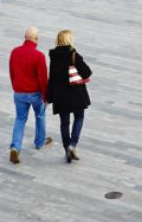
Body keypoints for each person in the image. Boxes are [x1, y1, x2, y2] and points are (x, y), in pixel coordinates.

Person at [47, 29, 93, 163]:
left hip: (60, 97)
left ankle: (67, 148)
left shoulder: (53, 57)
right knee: (79, 118)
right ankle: (73, 144)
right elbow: (87, 72)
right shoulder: (73, 54)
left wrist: (49, 97)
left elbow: (52, 78)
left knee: (64, 123)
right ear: (69, 40)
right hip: (76, 94)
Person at [8, 27, 51, 163]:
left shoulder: (15, 52)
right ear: (36, 39)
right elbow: (43, 78)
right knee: (40, 116)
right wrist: (46, 96)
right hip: (35, 94)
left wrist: (15, 86)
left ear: (24, 37)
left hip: (19, 92)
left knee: (20, 119)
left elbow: (12, 71)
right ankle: (39, 141)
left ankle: (15, 147)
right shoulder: (39, 56)